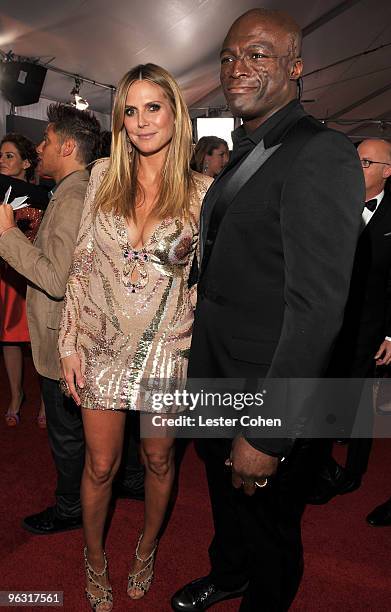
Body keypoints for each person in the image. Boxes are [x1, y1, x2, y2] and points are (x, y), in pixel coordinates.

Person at [171, 8, 365, 612]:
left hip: (267, 390)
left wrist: (269, 431)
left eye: (257, 55)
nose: (237, 67)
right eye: (229, 56)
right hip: (218, 376)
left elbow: (317, 309)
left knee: (271, 527)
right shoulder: (251, 149)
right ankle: (228, 575)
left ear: (296, 67)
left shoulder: (322, 152)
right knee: (226, 504)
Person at [58, 63, 212, 610]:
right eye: (131, 109)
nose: (142, 120)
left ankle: (146, 547)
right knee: (100, 465)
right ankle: (94, 556)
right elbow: (80, 261)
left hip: (167, 347)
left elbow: (214, 281)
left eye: (154, 107)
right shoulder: (100, 176)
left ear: (175, 112)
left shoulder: (204, 192)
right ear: (120, 119)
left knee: (158, 459)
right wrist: (70, 343)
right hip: (99, 342)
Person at [0, 103, 101, 535]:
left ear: (66, 145)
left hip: (65, 341)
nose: (39, 148)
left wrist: (5, 235)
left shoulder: (74, 195)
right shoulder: (72, 190)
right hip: (68, 335)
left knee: (67, 434)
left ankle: (70, 508)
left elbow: (56, 279)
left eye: (45, 140)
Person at [308, 139, 391, 505]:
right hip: (325, 322)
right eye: (355, 159)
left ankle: (354, 471)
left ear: (387, 171)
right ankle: (320, 464)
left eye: (366, 162)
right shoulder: (332, 202)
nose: (357, 166)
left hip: (369, 327)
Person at [0, 133, 46, 427]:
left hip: (37, 275)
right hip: (6, 276)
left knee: (40, 340)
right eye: (0, 156)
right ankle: (16, 396)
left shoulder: (46, 196)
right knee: (8, 338)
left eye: (9, 156)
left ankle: (47, 400)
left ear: (26, 163)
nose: (2, 161)